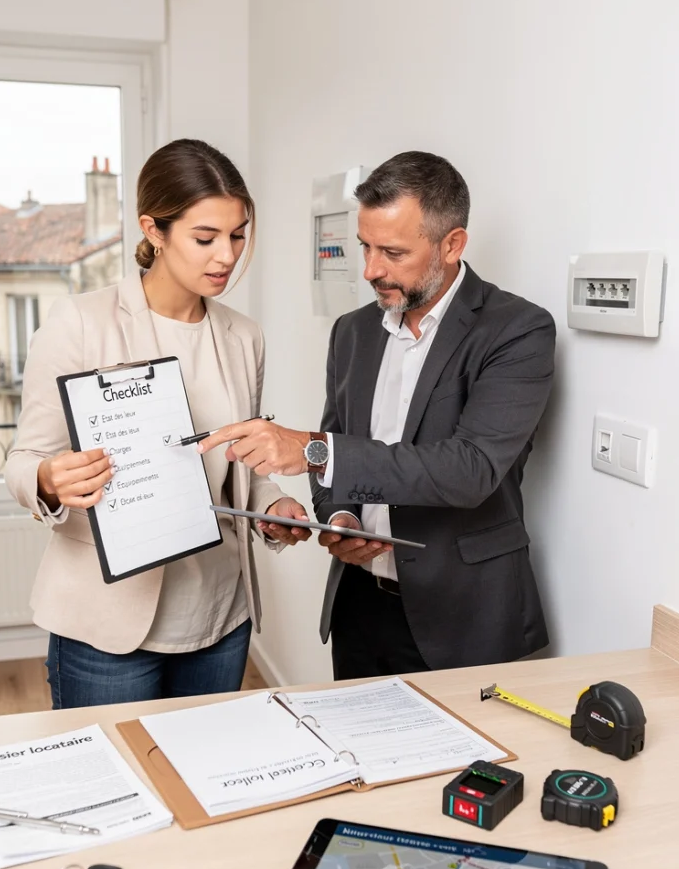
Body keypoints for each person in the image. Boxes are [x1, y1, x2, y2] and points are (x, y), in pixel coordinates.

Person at [198, 151, 555, 680]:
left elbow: (470, 470)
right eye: (365, 246)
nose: (370, 270)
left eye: (392, 251)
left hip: (465, 616)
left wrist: (311, 449)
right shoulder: (353, 331)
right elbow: (339, 450)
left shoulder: (517, 331)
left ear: (452, 244)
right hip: (360, 606)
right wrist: (341, 518)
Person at [5, 138, 310, 708]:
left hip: (220, 616)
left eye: (238, 235)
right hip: (106, 625)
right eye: (204, 238)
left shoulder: (244, 337)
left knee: (203, 783)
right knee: (116, 787)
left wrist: (273, 507)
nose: (227, 256)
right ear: (153, 230)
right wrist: (50, 479)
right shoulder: (79, 323)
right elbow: (24, 462)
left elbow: (240, 463)